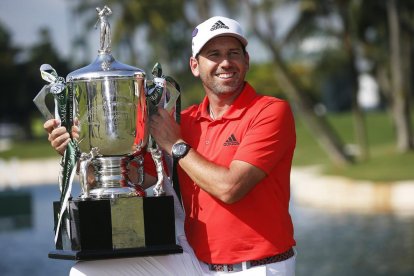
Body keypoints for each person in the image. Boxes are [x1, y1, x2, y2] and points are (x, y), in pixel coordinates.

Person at [44, 16, 296, 276]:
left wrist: (176, 145)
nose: (225, 62)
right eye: (214, 54)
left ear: (246, 61)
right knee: (87, 271)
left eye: (233, 53)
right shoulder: (183, 120)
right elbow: (135, 180)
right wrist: (75, 152)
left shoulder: (270, 111)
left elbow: (230, 188)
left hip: (258, 267)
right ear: (195, 66)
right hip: (194, 264)